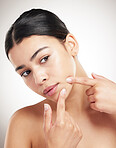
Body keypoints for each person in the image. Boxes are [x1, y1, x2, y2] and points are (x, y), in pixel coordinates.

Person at [4, 9, 116, 148]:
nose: (39, 79)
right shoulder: (23, 124)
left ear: (71, 45)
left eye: (44, 59)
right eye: (26, 73)